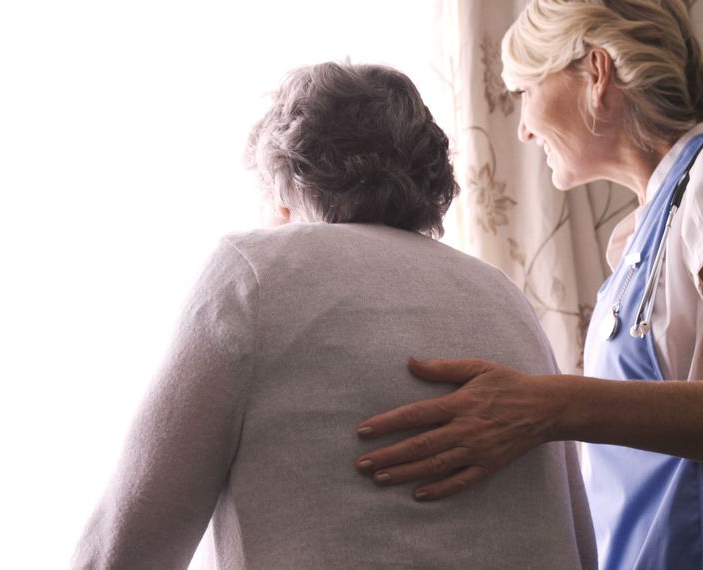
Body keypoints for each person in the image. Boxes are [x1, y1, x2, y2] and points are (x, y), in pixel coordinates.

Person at [352, 1, 703, 569]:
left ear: (596, 73)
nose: (522, 127)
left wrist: (549, 405)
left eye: (525, 91)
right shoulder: (635, 241)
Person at [72, 61, 597, 569]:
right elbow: (580, 540)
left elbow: (125, 546)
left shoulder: (255, 271)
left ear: (287, 181)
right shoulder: (505, 296)